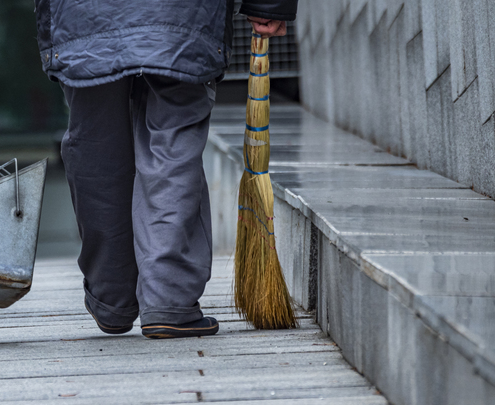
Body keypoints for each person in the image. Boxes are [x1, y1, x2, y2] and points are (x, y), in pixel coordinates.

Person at [33, 0, 298, 338]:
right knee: (173, 137)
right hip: (182, 13)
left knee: (97, 140)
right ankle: (167, 300)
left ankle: (111, 296)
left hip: (85, 17)